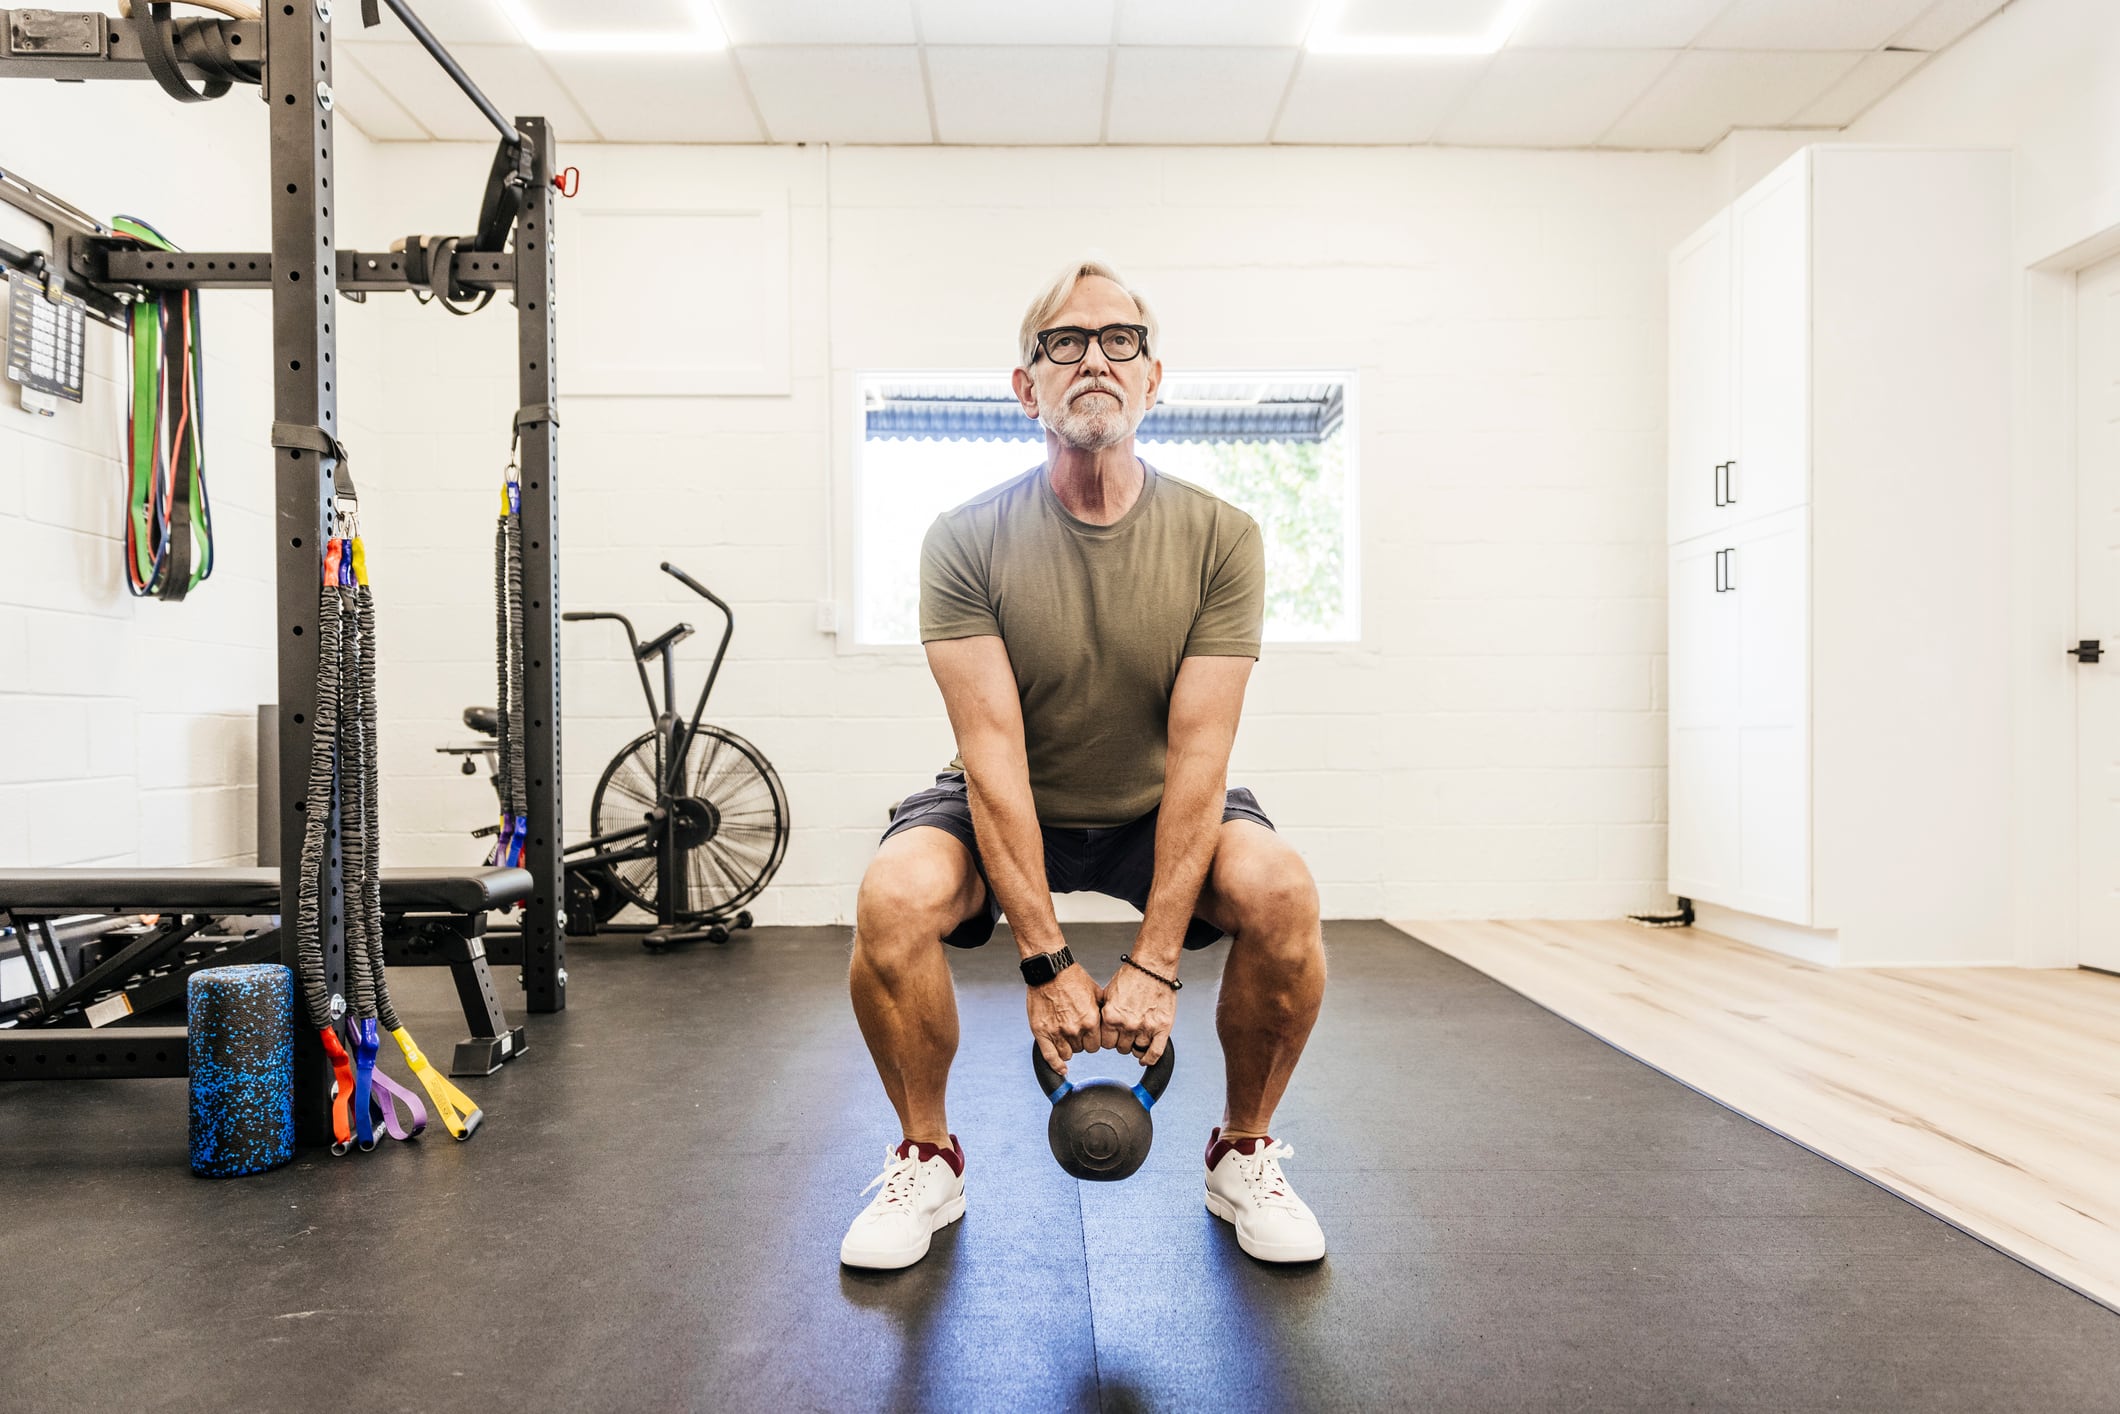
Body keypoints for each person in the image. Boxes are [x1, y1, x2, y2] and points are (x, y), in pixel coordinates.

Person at [840, 258, 1328, 1270]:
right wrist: (1049, 963)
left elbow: (1199, 756)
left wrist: (1151, 965)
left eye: (1120, 340)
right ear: (1027, 388)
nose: (1093, 358)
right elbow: (993, 761)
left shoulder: (1220, 537)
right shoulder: (964, 539)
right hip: (1011, 798)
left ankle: (1242, 1148)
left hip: (1159, 803)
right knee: (890, 897)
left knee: (1281, 892)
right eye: (1063, 342)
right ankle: (925, 1153)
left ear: (1154, 377)